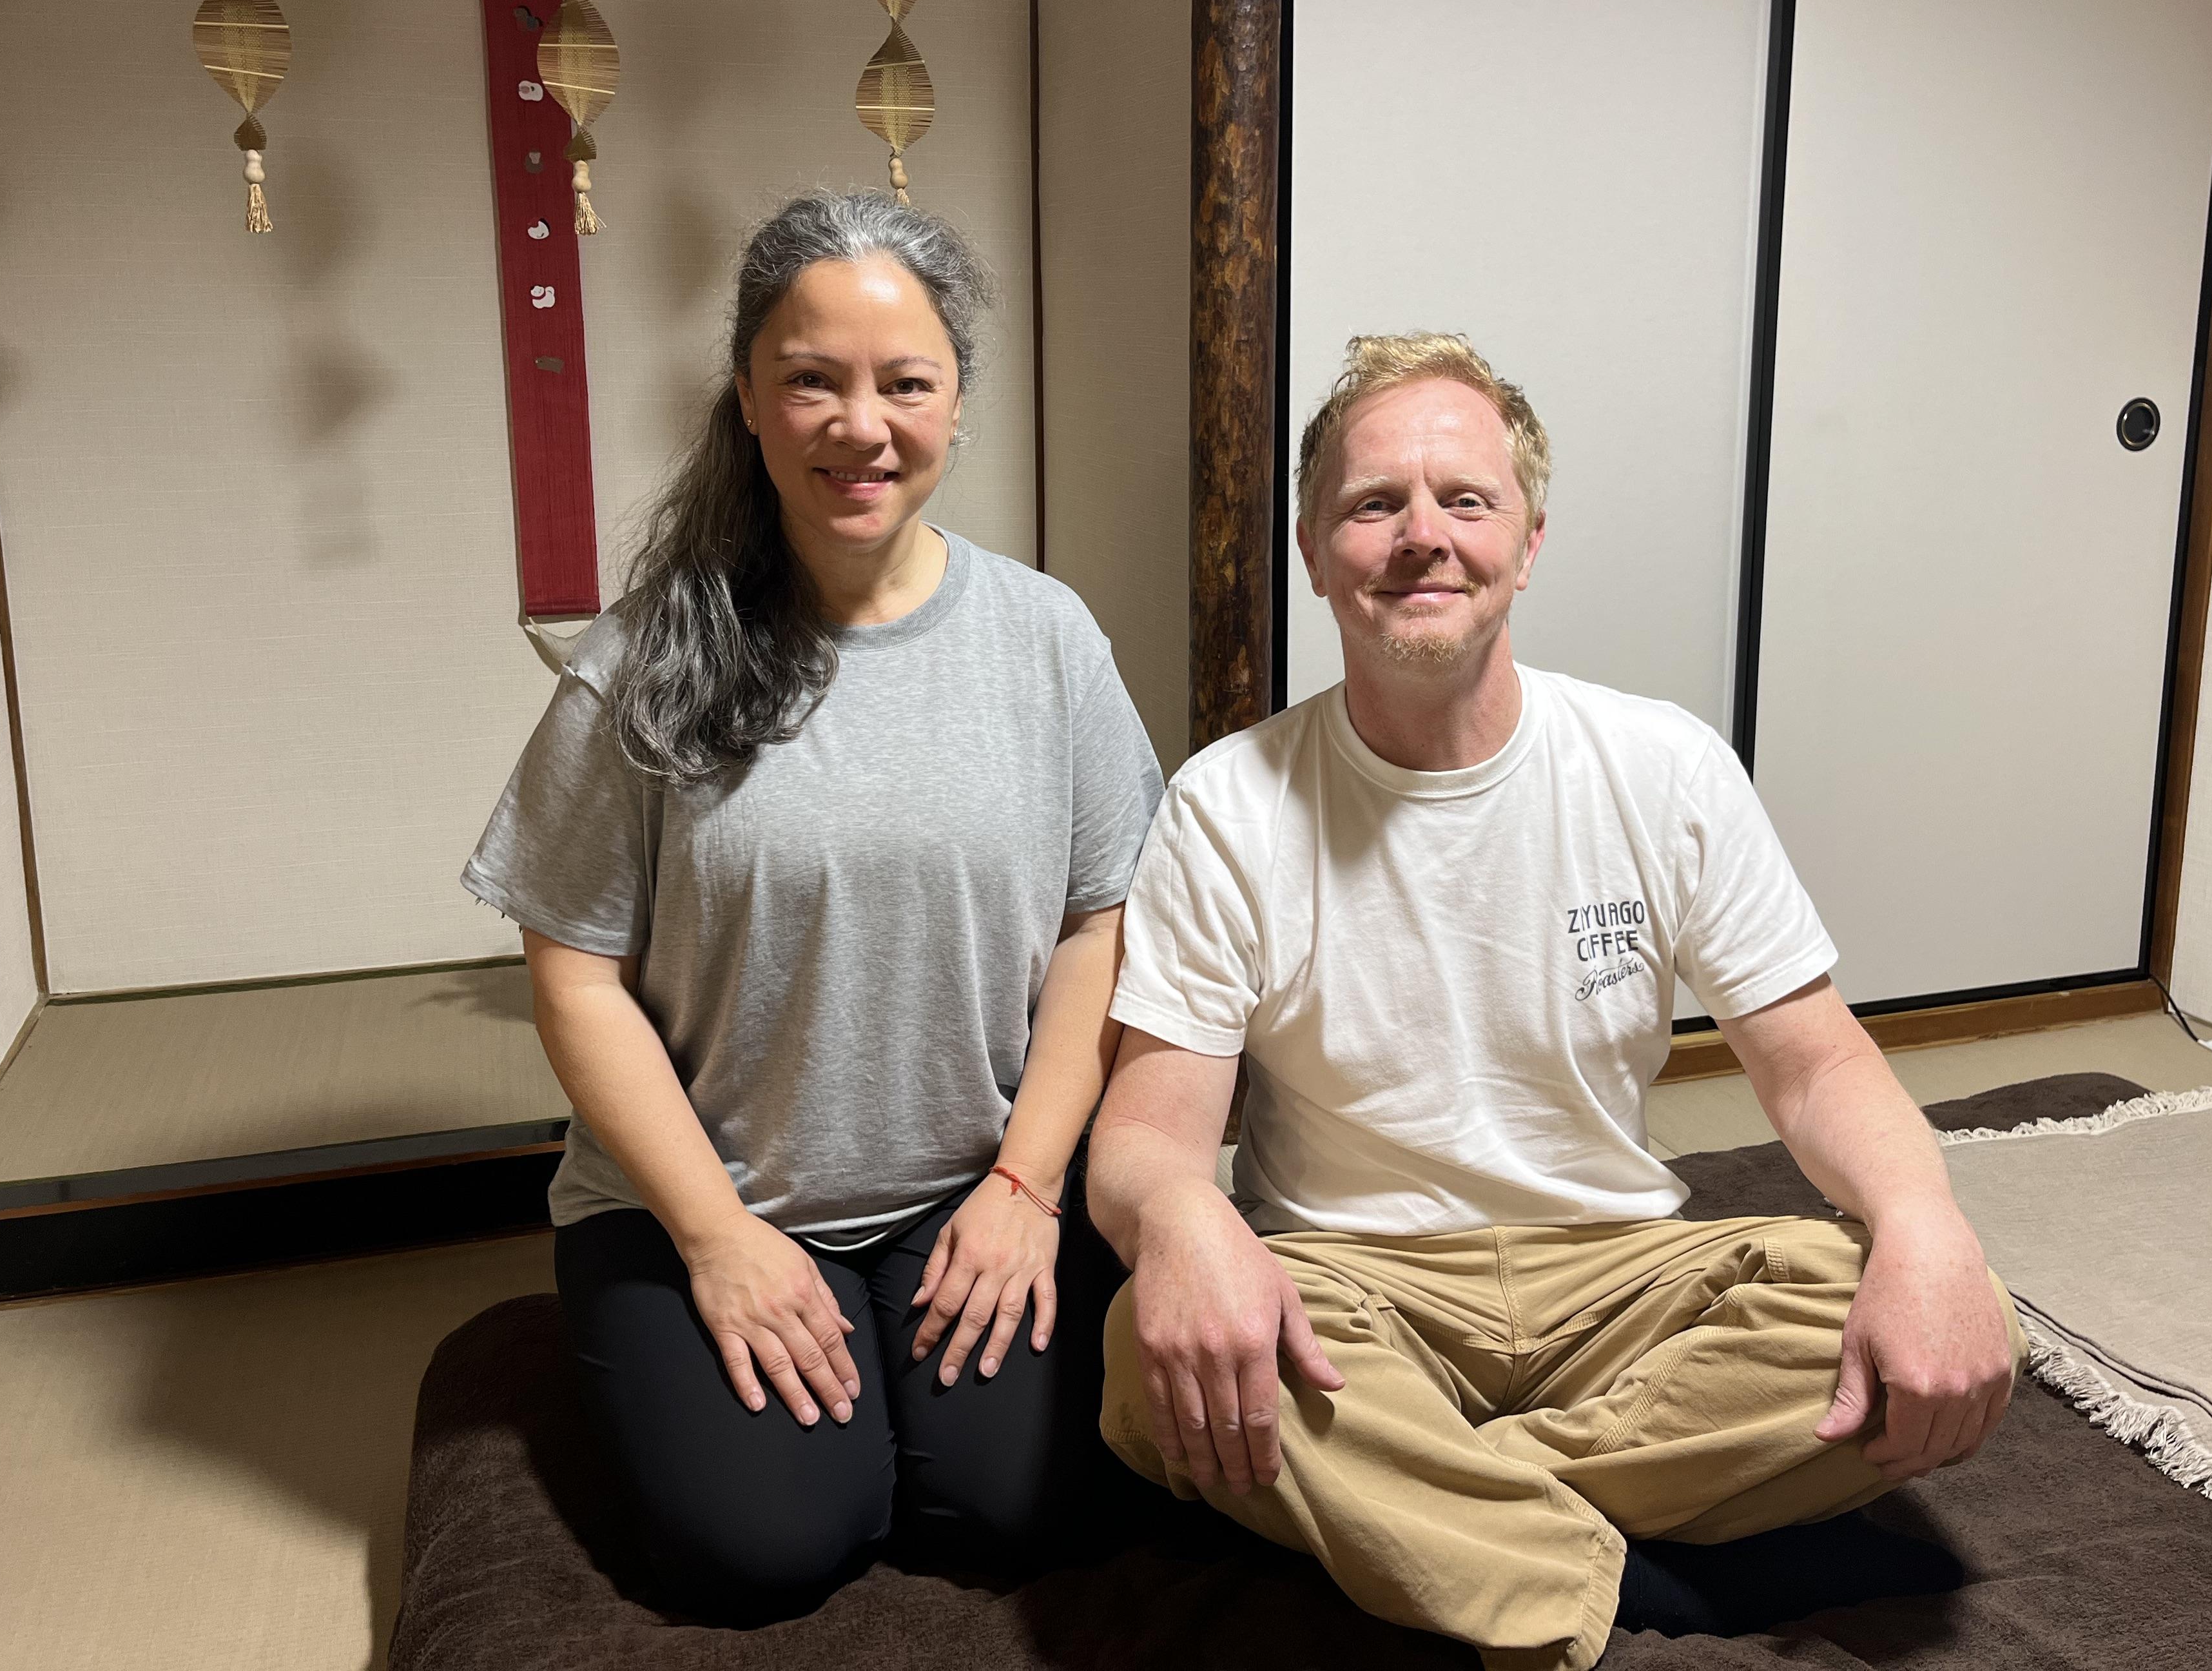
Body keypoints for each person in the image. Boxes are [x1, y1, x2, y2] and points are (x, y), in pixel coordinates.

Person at [1087, 333, 2022, 1667]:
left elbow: (1817, 1070)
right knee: (1149, 1352)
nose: (1423, 537)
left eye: (1465, 501)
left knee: (1932, 1304)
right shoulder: (1228, 803)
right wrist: (1183, 1222)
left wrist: (1927, 1228)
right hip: (1354, 1291)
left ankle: (1448, 1527)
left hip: (1622, 1274)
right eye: (1374, 505)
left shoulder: (1663, 766)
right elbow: (1149, 1140)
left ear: (1527, 543)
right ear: (1313, 549)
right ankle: (1625, 1588)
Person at [463, 191, 1163, 1625]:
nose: (863, 426)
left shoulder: (1047, 640)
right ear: (749, 399)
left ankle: (901, 1374)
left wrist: (1028, 1190)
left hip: (969, 1187)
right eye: (812, 381)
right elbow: (575, 974)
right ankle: (742, 1358)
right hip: (695, 1204)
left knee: (1026, 1505)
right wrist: (719, 1241)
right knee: (766, 1547)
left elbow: (1104, 924)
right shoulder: (645, 659)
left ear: (957, 403)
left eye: (906, 383)